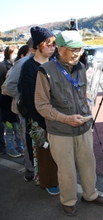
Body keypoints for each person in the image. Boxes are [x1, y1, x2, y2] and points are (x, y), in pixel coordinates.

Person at [34, 30, 103, 216]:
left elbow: (83, 95)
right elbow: (41, 105)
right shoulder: (46, 71)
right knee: (66, 169)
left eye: (79, 49)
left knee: (88, 163)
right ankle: (68, 200)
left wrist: (88, 105)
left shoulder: (81, 68)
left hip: (83, 126)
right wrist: (66, 118)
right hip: (60, 129)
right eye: (71, 49)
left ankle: (90, 194)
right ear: (59, 49)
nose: (77, 53)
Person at [19, 26, 59, 194]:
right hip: (38, 117)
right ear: (38, 45)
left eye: (54, 44)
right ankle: (49, 182)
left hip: (57, 115)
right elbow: (28, 100)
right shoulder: (28, 67)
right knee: (44, 151)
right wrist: (42, 121)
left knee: (58, 151)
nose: (53, 47)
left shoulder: (55, 62)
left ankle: (57, 178)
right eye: (49, 44)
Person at [1, 38, 35, 180]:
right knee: (25, 137)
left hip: (40, 110)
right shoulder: (23, 63)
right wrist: (24, 98)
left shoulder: (49, 62)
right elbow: (7, 87)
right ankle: (30, 169)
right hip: (24, 110)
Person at [0, 45, 22, 157]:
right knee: (9, 129)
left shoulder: (15, 65)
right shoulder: (3, 66)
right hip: (5, 100)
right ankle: (10, 149)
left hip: (12, 101)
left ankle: (20, 147)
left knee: (17, 129)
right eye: (14, 53)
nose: (15, 55)